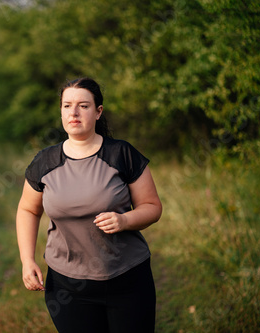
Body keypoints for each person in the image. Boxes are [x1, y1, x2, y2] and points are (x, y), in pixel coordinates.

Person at [16, 77, 162, 333]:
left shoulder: (122, 154)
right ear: (60, 110)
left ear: (98, 111)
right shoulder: (45, 161)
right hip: (68, 286)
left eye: (83, 105)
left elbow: (152, 206)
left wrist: (124, 220)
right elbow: (28, 210)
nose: (73, 112)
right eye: (66, 105)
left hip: (127, 278)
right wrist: (27, 260)